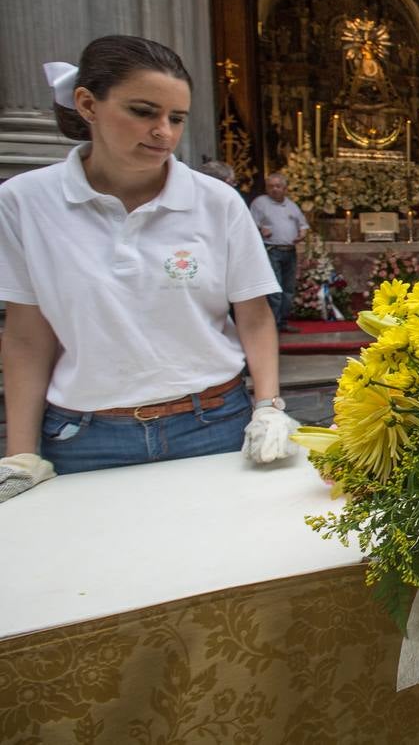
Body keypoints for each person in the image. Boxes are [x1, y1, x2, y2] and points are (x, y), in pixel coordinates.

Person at [0, 35, 298, 503]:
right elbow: (25, 335)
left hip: (212, 421)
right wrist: (20, 454)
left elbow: (254, 314)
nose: (164, 131)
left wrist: (268, 406)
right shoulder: (25, 202)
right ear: (87, 104)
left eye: (176, 118)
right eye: (143, 111)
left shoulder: (216, 202)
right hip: (87, 434)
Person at [250, 172, 309, 334]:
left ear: (285, 188)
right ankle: (272, 325)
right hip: (271, 250)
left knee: (288, 290)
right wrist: (261, 229)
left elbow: (303, 225)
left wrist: (301, 235)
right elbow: (248, 225)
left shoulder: (291, 205)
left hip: (289, 251)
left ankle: (282, 322)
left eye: (278, 186)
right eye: (271, 186)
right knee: (274, 290)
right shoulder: (259, 203)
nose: (274, 189)